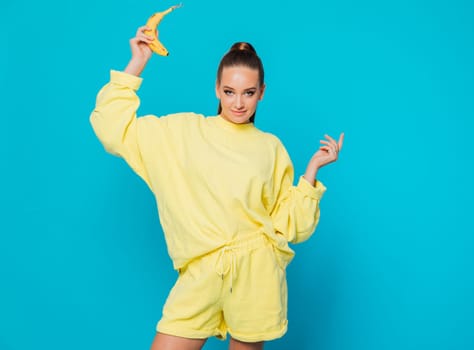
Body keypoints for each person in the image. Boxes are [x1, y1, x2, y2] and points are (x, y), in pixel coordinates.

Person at [89, 25, 344, 350]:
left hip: (256, 274)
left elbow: (293, 225)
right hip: (201, 274)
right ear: (216, 88)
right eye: (229, 91)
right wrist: (138, 62)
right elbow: (111, 128)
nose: (238, 103)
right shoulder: (181, 132)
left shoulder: (271, 148)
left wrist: (311, 171)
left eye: (248, 93)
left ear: (262, 92)